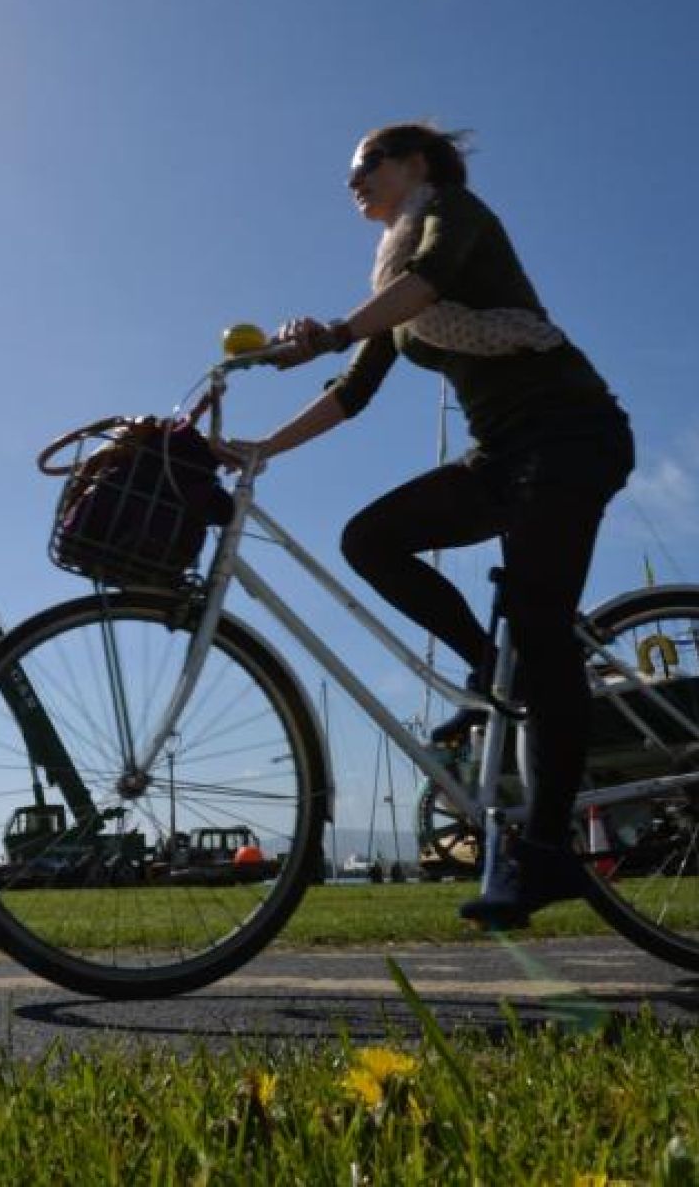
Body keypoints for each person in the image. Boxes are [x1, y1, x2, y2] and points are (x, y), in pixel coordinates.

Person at [219, 121, 635, 928]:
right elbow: (354, 387)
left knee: (542, 626)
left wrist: (339, 327)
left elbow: (429, 283)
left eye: (364, 166)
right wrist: (263, 448)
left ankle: (546, 850)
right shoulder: (392, 285)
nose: (353, 184)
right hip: (502, 454)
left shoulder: (456, 217)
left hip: (570, 434)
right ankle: (490, 673)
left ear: (415, 162)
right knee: (368, 538)